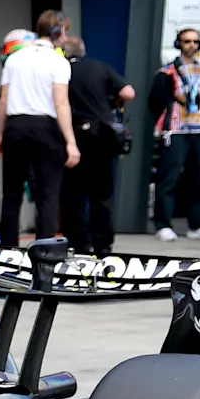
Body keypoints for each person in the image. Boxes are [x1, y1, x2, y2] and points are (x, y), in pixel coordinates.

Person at [0, 11, 80, 246]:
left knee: (11, 195)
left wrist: (1, 134)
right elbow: (61, 103)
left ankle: (9, 249)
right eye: (64, 32)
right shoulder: (58, 61)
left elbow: (3, 101)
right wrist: (70, 141)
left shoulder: (15, 58)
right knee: (48, 195)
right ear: (56, 32)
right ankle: (43, 251)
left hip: (15, 126)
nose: (65, 37)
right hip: (45, 128)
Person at [60, 36, 134, 256]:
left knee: (74, 193)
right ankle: (103, 243)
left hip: (75, 135)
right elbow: (128, 92)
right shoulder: (100, 67)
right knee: (102, 192)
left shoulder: (62, 70)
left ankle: (77, 243)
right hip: (102, 135)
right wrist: (113, 103)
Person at [149, 27, 200, 241]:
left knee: (198, 176)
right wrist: (164, 124)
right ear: (179, 43)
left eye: (195, 41)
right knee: (168, 176)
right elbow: (155, 102)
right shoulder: (167, 71)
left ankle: (197, 225)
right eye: (187, 41)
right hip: (176, 128)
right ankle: (163, 224)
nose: (191, 45)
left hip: (199, 127)